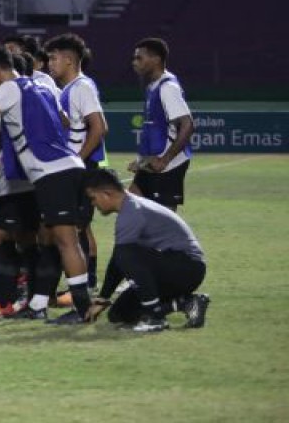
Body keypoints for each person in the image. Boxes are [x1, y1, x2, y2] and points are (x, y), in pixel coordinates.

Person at [0, 44, 93, 325]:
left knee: (66, 242)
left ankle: (83, 309)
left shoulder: (10, 87)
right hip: (66, 167)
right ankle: (37, 305)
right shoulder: (44, 87)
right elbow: (63, 120)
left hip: (53, 173)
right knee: (51, 242)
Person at [83, 170, 209, 332]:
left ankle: (156, 319)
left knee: (125, 253)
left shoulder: (132, 211)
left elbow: (121, 257)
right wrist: (103, 299)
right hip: (173, 268)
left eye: (93, 198)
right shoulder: (130, 207)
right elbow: (118, 260)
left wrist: (104, 297)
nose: (93, 203)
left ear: (107, 194)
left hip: (187, 267)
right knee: (119, 314)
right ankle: (187, 303)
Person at [0, 52, 41, 318]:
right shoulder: (35, 90)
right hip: (25, 179)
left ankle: (7, 300)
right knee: (27, 240)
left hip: (17, 181)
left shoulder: (11, 90)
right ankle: (32, 298)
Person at [45, 33, 108, 301]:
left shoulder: (82, 87)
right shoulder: (67, 90)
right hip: (75, 167)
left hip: (83, 168)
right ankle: (81, 283)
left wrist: (79, 159)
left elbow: (100, 126)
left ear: (69, 60)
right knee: (78, 227)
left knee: (79, 228)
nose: (50, 63)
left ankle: (87, 286)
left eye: (53, 57)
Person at [129, 38, 195, 211]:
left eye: (139, 58)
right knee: (131, 210)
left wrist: (165, 160)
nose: (134, 63)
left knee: (163, 224)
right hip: (151, 164)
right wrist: (141, 161)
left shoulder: (168, 87)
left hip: (168, 166)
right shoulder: (152, 86)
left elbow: (187, 124)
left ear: (156, 59)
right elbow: (155, 128)